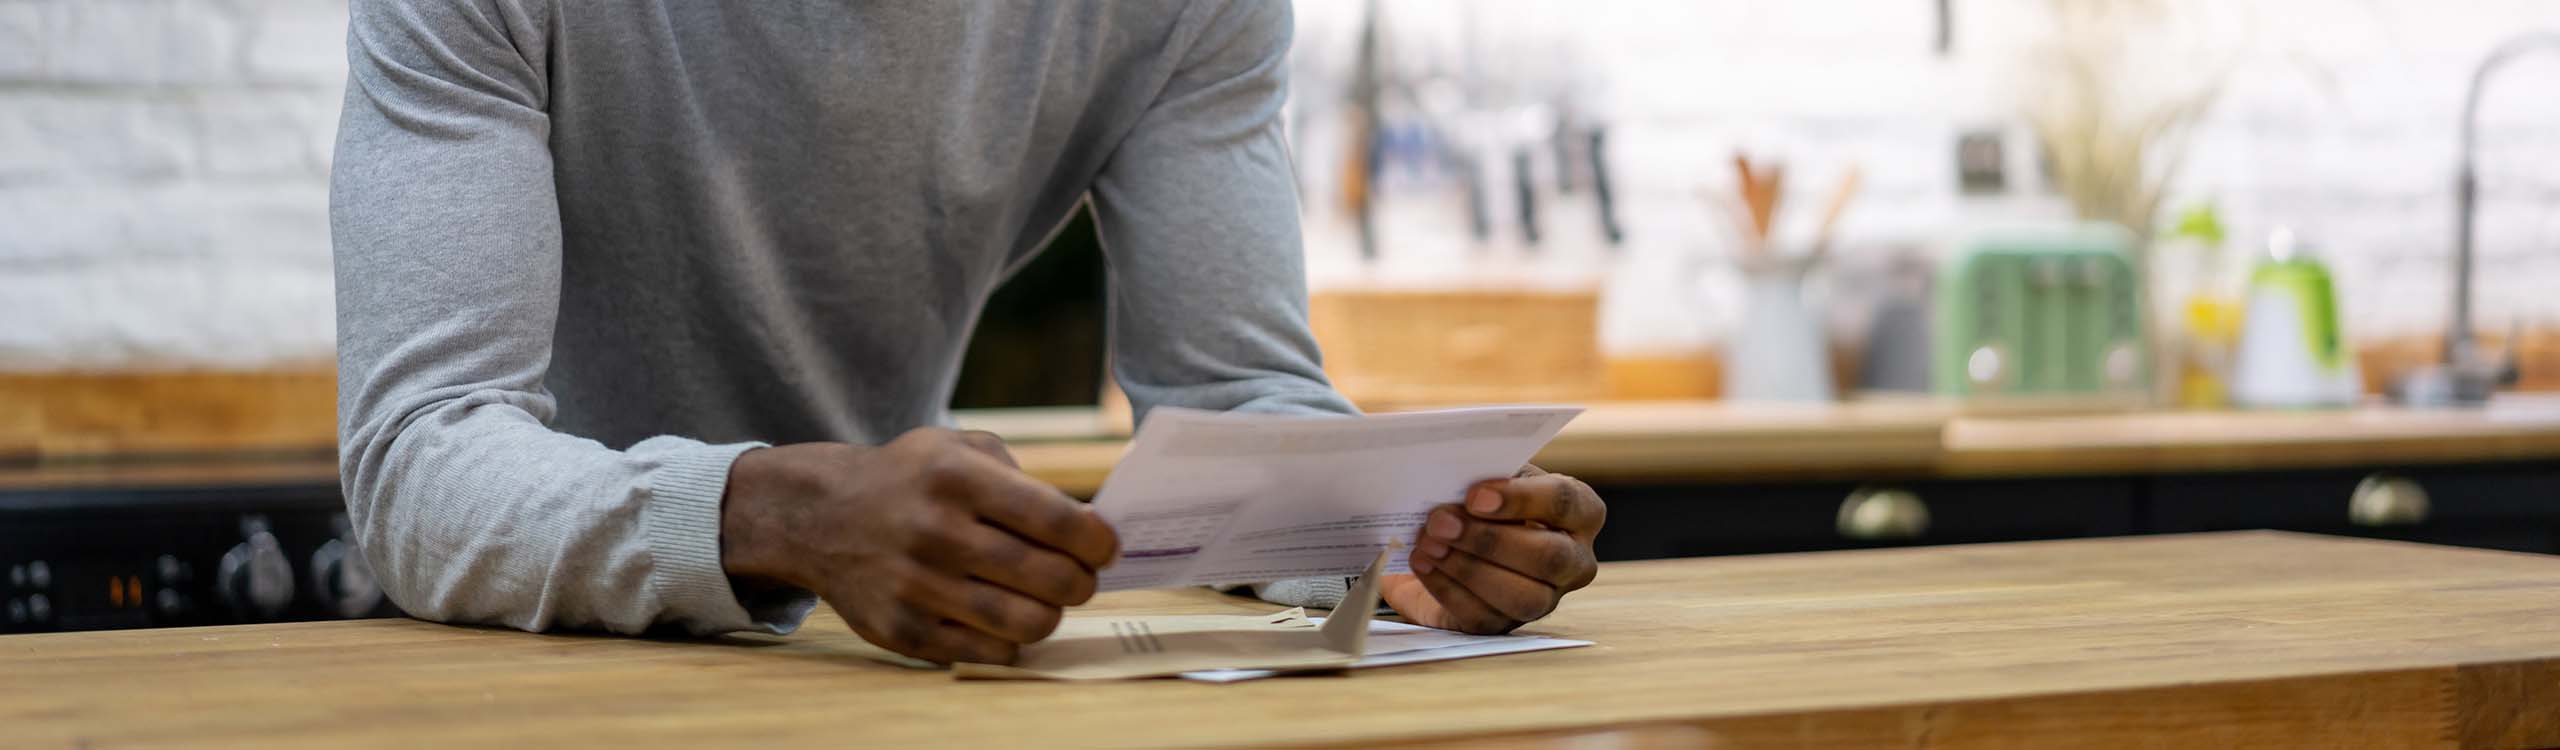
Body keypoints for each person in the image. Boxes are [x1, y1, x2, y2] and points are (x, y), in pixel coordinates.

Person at [331, 0, 1605, 666]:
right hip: (497, 669)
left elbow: (1236, 385)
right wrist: (768, 515)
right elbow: (421, 458)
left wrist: (1389, 535)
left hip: (870, 673)